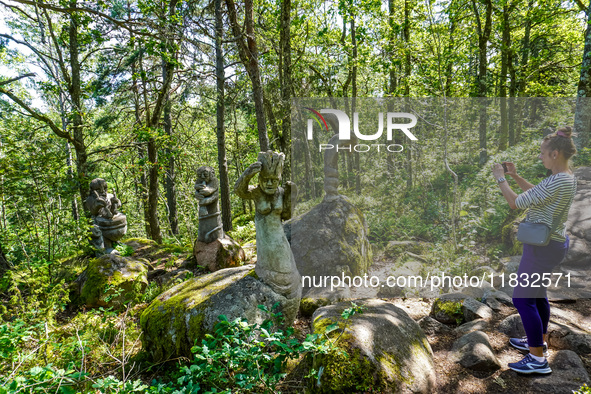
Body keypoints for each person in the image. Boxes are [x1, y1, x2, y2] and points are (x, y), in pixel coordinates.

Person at [491, 126, 577, 374]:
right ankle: (537, 343)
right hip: (553, 243)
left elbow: (515, 202)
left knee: (522, 298)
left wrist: (501, 178)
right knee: (538, 295)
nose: (540, 156)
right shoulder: (565, 177)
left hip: (542, 247)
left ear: (555, 153)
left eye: (542, 152)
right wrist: (516, 176)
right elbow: (537, 195)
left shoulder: (557, 180)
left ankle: (537, 360)